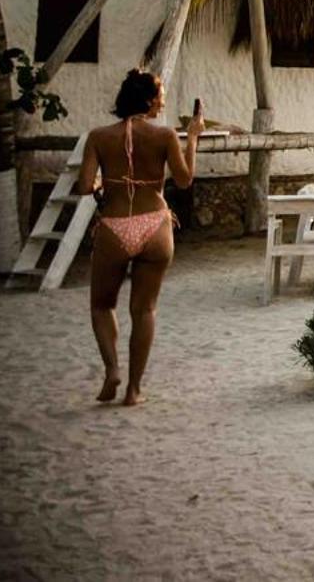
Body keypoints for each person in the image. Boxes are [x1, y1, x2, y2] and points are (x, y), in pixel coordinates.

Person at [76, 69, 201, 405]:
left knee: (102, 305)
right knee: (144, 310)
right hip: (155, 226)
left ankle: (113, 369)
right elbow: (185, 179)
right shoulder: (164, 136)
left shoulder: (99, 137)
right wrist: (192, 137)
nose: (162, 101)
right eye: (160, 95)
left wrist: (107, 186)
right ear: (147, 99)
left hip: (115, 226)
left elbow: (85, 186)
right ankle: (134, 390)